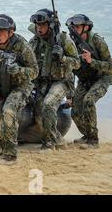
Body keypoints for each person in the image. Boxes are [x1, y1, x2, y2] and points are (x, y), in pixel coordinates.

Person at [0, 14, 38, 162]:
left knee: (9, 111)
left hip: (20, 85)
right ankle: (6, 145)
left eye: (1, 32)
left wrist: (19, 70)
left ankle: (10, 155)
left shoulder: (22, 47)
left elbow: (35, 71)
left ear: (11, 33)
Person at [29, 9, 80, 151]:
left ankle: (48, 144)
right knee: (39, 112)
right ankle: (57, 139)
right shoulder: (35, 41)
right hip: (43, 82)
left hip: (62, 81)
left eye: (43, 25)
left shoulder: (64, 40)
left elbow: (77, 63)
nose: (39, 28)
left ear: (50, 25)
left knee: (48, 104)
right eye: (37, 25)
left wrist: (63, 58)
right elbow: (27, 61)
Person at [66, 14, 112, 147]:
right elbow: (70, 70)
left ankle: (93, 140)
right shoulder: (72, 44)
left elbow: (110, 67)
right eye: (73, 27)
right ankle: (87, 135)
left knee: (89, 101)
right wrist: (69, 95)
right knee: (75, 111)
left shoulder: (97, 42)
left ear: (86, 27)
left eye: (78, 26)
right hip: (84, 79)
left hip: (102, 77)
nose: (74, 29)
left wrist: (92, 61)